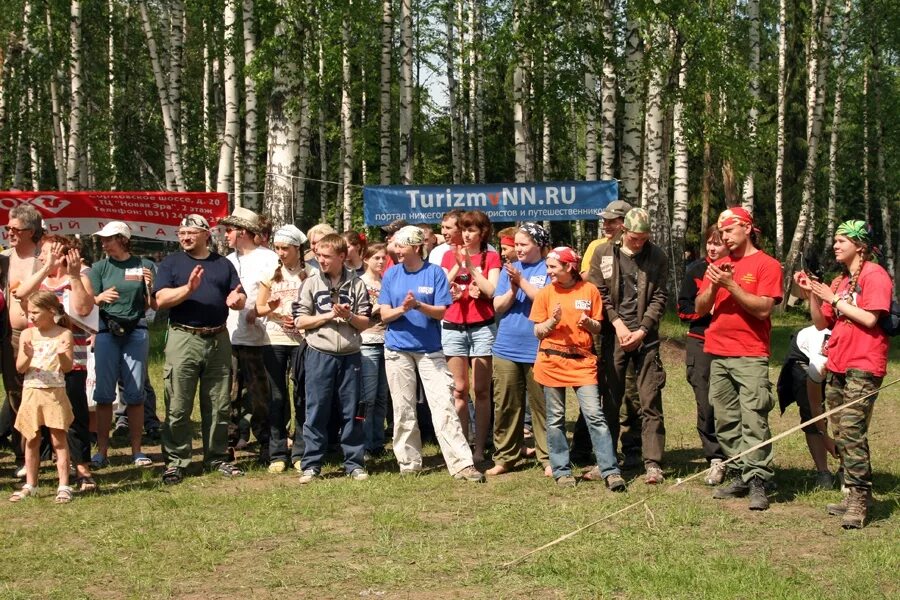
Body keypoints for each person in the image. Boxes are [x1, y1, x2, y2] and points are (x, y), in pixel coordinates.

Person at [795, 220, 892, 528]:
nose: (835, 245)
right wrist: (813, 293)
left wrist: (833, 298)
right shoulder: (839, 281)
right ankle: (854, 494)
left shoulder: (875, 275)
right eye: (835, 240)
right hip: (837, 363)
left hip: (864, 363)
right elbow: (821, 323)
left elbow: (870, 318)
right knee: (840, 431)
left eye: (842, 241)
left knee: (851, 430)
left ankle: (859, 498)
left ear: (859, 245)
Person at [377, 225, 484, 482]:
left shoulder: (434, 273)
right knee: (403, 409)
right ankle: (409, 463)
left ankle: (462, 464)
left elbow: (442, 312)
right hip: (397, 350)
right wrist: (403, 309)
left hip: (430, 350)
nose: (396, 250)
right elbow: (384, 314)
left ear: (416, 247)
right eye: (395, 245)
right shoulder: (391, 274)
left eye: (401, 246)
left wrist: (418, 305)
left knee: (444, 405)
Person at [695, 206, 783, 511]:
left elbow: (763, 309)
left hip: (750, 353)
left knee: (754, 419)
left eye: (729, 231)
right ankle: (739, 473)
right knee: (726, 419)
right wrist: (714, 284)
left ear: (747, 228)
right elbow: (700, 308)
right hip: (718, 352)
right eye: (721, 233)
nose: (724, 238)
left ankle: (759, 479)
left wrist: (731, 285)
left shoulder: (767, 264)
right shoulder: (719, 264)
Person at [154, 214, 247, 484]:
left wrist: (238, 300)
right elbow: (160, 299)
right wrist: (188, 288)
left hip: (218, 338)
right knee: (178, 404)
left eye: (190, 233)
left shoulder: (223, 264)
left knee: (219, 404)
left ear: (206, 235)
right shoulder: (172, 263)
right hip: (184, 337)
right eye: (181, 233)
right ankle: (176, 462)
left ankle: (217, 457)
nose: (185, 237)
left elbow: (239, 294)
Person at [530, 247, 625, 491]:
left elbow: (598, 327)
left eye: (553, 267)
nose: (548, 271)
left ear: (569, 267)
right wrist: (552, 322)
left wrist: (589, 322)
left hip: (583, 363)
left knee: (595, 415)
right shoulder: (545, 293)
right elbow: (537, 331)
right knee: (555, 419)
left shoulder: (589, 290)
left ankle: (610, 471)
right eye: (548, 266)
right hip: (551, 363)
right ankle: (562, 471)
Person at [587, 207, 668, 484]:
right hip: (614, 336)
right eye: (635, 238)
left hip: (646, 338)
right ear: (624, 231)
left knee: (649, 399)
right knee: (610, 399)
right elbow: (599, 293)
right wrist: (618, 324)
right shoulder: (603, 252)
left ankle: (653, 463)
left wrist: (643, 329)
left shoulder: (657, 256)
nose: (639, 243)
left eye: (644, 238)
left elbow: (659, 297)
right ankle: (606, 460)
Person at [13, 235, 96, 491]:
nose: (41, 256)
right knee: (40, 420)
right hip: (39, 366)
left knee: (75, 417)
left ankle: (82, 469)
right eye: (42, 252)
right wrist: (46, 268)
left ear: (63, 254)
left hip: (70, 359)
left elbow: (84, 309)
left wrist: (73, 276)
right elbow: (20, 294)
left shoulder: (79, 277)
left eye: (48, 251)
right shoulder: (40, 281)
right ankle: (41, 471)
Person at [294, 233, 372, 483]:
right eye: (319, 255)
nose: (321, 260)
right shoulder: (310, 283)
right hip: (319, 354)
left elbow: (365, 322)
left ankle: (354, 463)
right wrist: (328, 316)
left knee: (353, 411)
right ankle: (311, 464)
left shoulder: (357, 284)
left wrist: (348, 317)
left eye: (327, 256)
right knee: (316, 409)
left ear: (341, 256)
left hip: (350, 356)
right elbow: (300, 321)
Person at [81, 221, 155, 468]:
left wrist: (150, 287)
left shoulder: (144, 265)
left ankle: (137, 451)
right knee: (104, 394)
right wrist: (99, 298)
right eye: (102, 239)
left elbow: (150, 304)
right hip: (106, 333)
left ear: (123, 239)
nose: (104, 243)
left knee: (135, 393)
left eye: (108, 239)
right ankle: (101, 452)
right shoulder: (99, 267)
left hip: (136, 332)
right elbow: (86, 303)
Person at [486, 223, 551, 476]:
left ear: (539, 245)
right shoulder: (510, 269)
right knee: (505, 405)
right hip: (506, 346)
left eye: (524, 244)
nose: (519, 249)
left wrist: (521, 281)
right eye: (517, 245)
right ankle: (505, 457)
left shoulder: (549, 268)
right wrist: (513, 288)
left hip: (538, 348)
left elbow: (546, 301)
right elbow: (498, 306)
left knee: (543, 406)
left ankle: (548, 457)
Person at [440, 210, 502, 463]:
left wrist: (473, 268)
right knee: (459, 390)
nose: (466, 234)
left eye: (471, 230)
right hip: (453, 326)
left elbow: (492, 290)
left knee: (481, 390)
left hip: (482, 327)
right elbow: (440, 287)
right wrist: (458, 266)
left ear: (482, 233)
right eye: (463, 229)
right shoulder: (448, 255)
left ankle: (480, 447)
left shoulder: (492, 256)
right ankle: (462, 446)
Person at [8, 291, 75, 503]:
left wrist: (62, 354)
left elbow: (67, 367)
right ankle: (31, 484)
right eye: (29, 312)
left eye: (35, 312)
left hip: (54, 393)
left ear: (51, 311)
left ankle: (64, 485)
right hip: (31, 392)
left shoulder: (64, 334)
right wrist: (27, 356)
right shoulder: (28, 335)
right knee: (31, 439)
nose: (31, 316)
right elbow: (20, 368)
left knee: (58, 440)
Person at [222, 207, 278, 462]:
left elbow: (279, 295)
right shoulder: (227, 261)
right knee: (228, 394)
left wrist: (256, 311)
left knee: (261, 396)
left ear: (243, 232)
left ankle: (267, 443)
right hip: (229, 336)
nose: (226, 235)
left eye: (229, 230)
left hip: (260, 338)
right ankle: (228, 443)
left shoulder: (269, 259)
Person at [677, 224, 728, 486]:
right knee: (706, 403)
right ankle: (715, 457)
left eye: (718, 243)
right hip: (701, 342)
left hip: (733, 343)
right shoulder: (696, 270)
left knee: (731, 403)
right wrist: (706, 309)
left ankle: (739, 455)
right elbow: (683, 309)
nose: (712, 247)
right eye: (709, 242)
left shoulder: (739, 268)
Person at [256, 225, 308, 473]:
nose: (281, 252)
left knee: (302, 395)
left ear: (298, 248)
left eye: (285, 248)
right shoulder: (269, 272)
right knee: (276, 397)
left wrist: (300, 320)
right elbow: (259, 309)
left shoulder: (311, 273)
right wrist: (273, 309)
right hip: (274, 339)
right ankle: (277, 453)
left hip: (303, 340)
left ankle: (300, 451)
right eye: (277, 248)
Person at [1, 204, 44, 474]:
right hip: (5, 334)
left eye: (14, 229)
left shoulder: (42, 259)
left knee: (30, 395)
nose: (9, 233)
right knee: (13, 394)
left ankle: (30, 454)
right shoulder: (4, 258)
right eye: (7, 228)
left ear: (30, 231)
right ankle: (21, 454)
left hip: (33, 335)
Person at [776, 325, 836, 489]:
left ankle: (848, 470)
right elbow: (815, 405)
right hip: (803, 358)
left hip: (839, 362)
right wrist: (825, 438)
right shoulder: (820, 358)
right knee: (810, 412)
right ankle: (823, 472)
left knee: (848, 415)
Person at [359, 242, 390, 457]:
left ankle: (377, 443)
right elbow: (356, 313)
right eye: (376, 257)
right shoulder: (359, 282)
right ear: (366, 259)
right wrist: (377, 308)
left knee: (381, 397)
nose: (380, 261)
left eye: (383, 258)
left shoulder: (387, 282)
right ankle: (363, 444)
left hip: (386, 341)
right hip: (366, 341)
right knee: (367, 397)